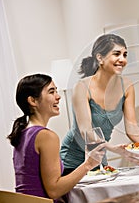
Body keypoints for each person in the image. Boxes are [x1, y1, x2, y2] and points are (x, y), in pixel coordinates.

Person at [7, 74, 106, 202]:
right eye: (51, 92)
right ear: (33, 101)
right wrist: (88, 164)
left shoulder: (22, 133)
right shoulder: (46, 136)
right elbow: (54, 190)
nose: (58, 97)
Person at [60, 34, 139, 175]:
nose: (122, 59)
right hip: (73, 160)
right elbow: (86, 131)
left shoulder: (127, 86)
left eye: (125, 55)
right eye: (116, 54)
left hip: (99, 156)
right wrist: (112, 148)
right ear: (100, 58)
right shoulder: (82, 87)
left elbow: (132, 127)